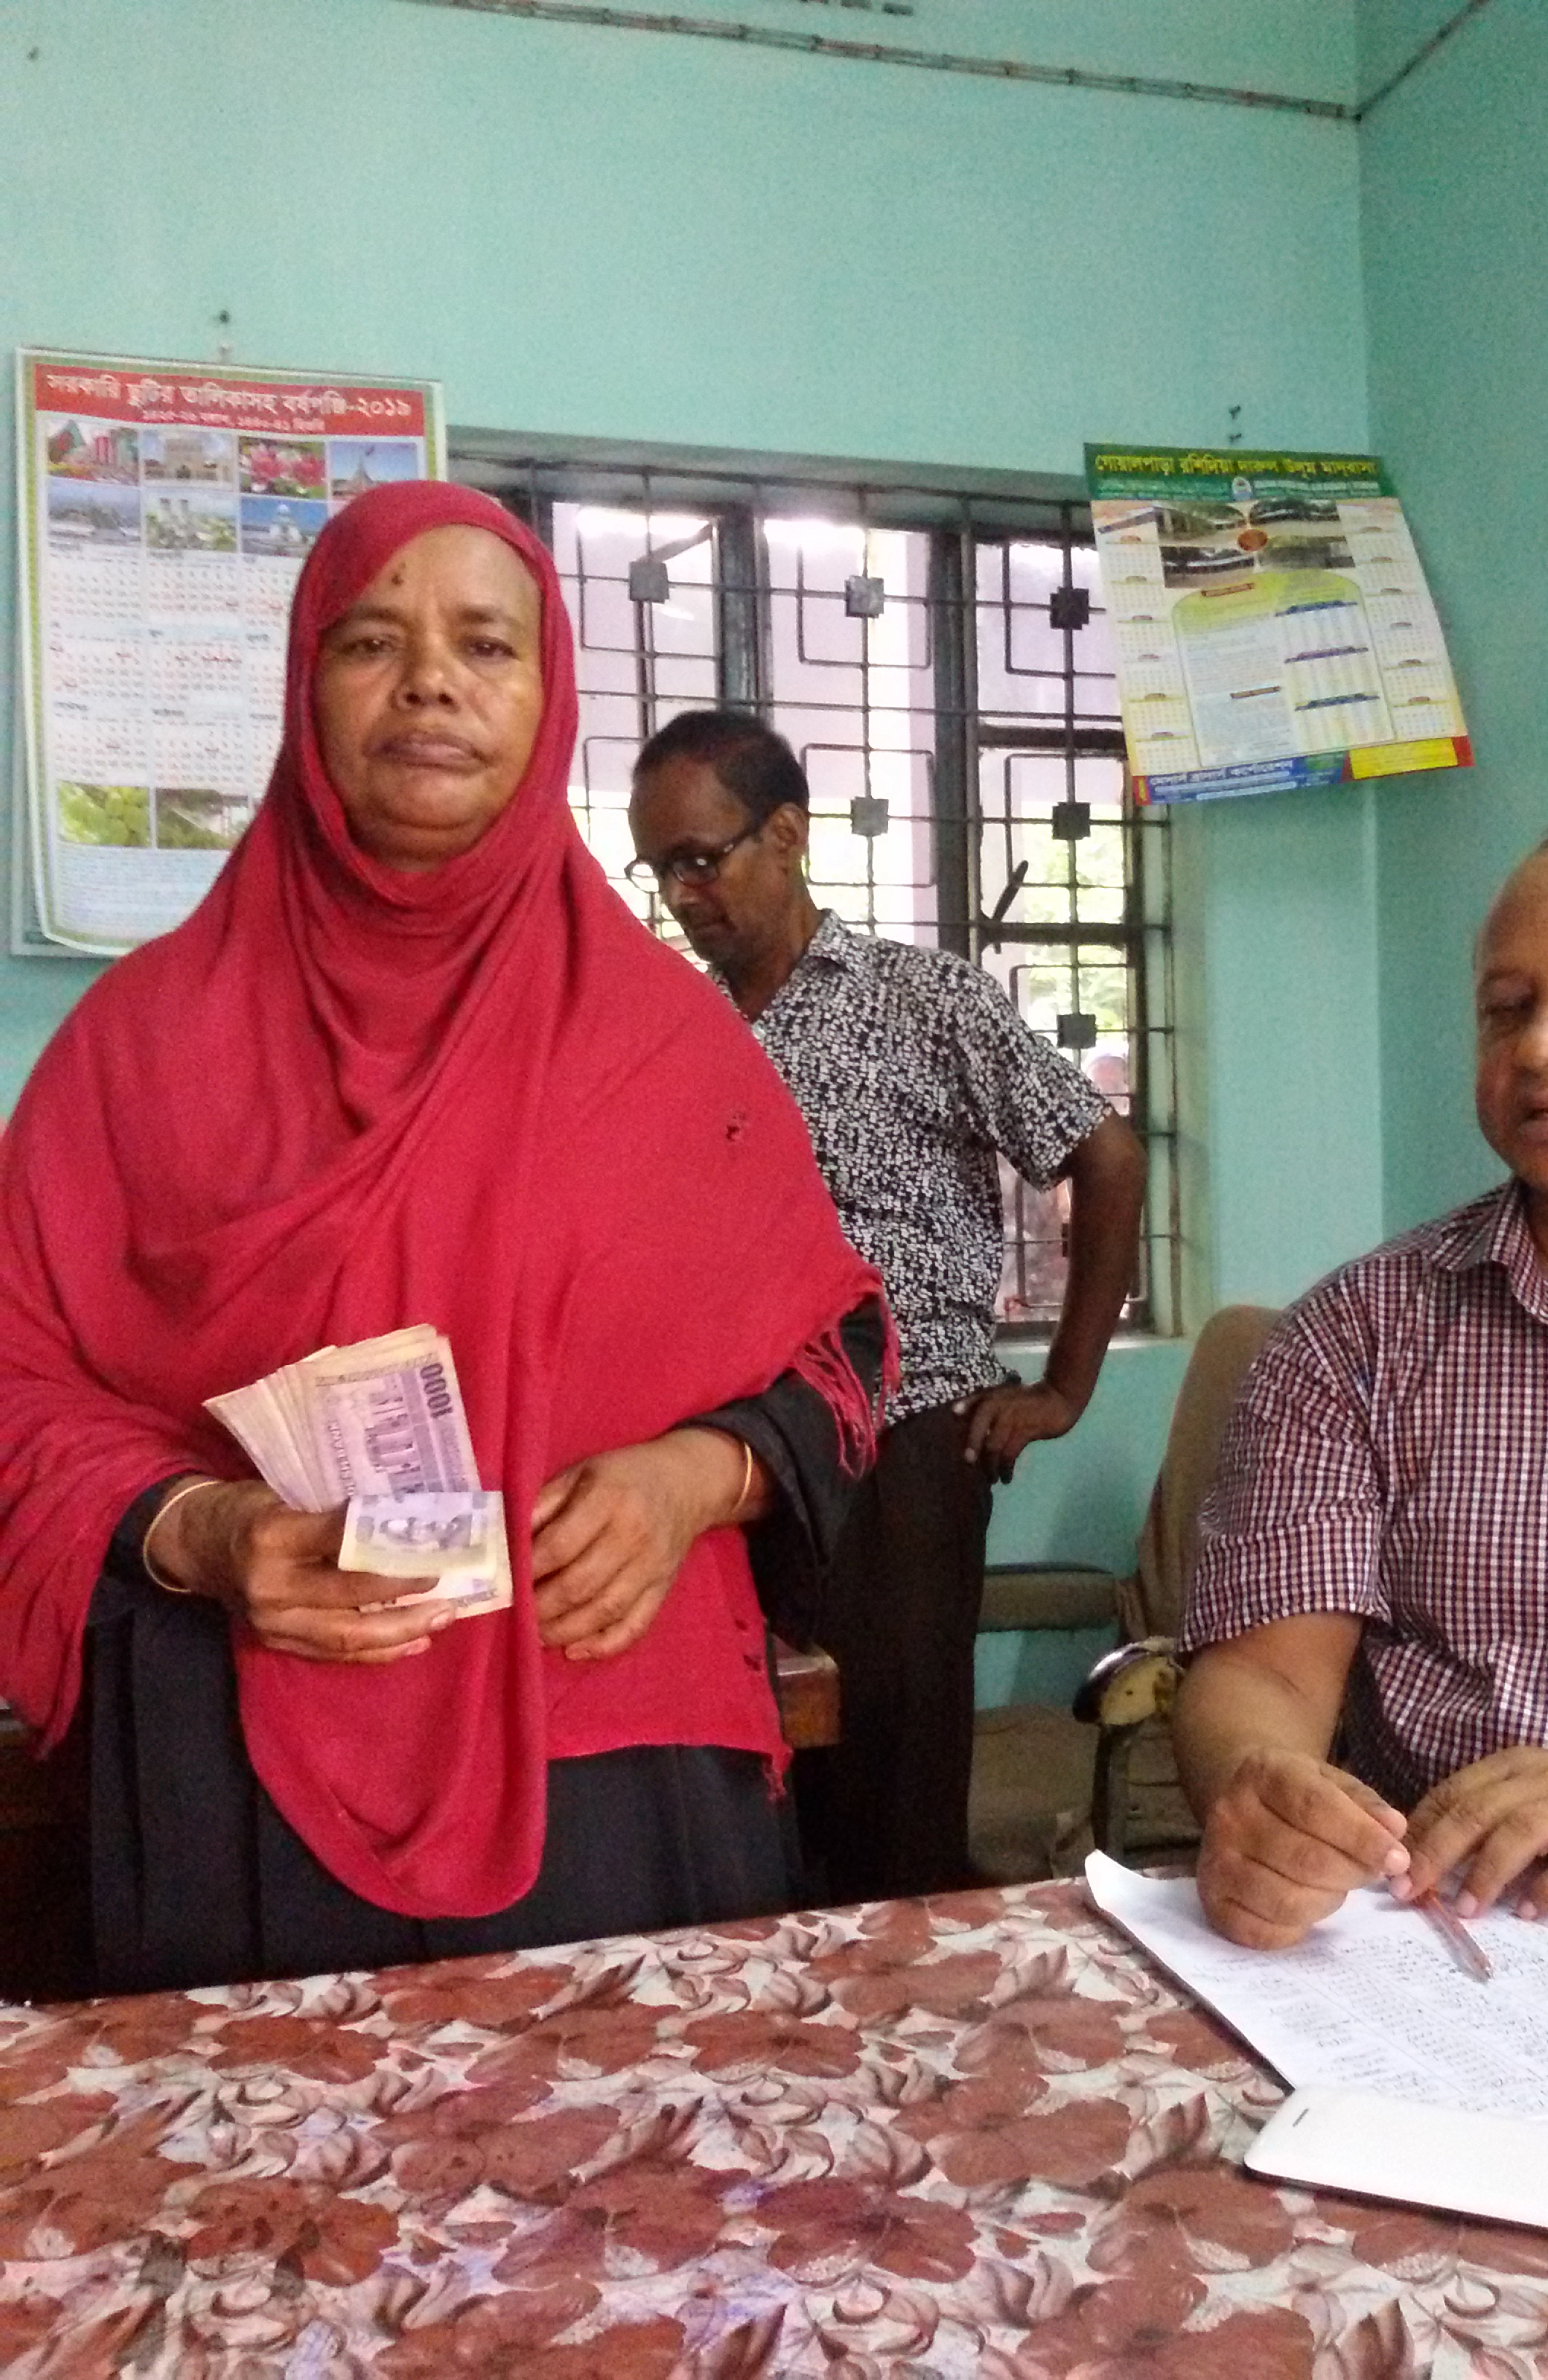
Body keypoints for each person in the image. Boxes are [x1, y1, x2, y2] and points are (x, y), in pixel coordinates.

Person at [0, 483, 887, 1994]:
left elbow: (837, 1349)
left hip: (613, 1751)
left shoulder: (669, 1046)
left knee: (627, 2136)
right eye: (371, 642)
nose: (429, 683)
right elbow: (21, 1380)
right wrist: (199, 1531)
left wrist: (697, 1479)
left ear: (548, 699)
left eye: (486, 644)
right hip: (239, 1769)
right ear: (308, 687)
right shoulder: (138, 1044)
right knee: (271, 2151)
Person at [1175, 820, 1548, 1950]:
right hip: (1442, 1938)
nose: (1542, 1047)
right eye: (1506, 1010)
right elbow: (1267, 1674)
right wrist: (1259, 1790)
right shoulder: (1356, 1335)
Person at [629, 713, 1146, 1899]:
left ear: (788, 836)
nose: (683, 895)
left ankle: (914, 2006)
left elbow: (1105, 1156)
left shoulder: (924, 1000)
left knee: (892, 1799)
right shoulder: (681, 1030)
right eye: (661, 870)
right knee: (761, 1785)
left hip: (902, 1435)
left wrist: (1065, 1388)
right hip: (737, 1454)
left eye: (702, 858)